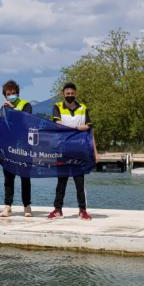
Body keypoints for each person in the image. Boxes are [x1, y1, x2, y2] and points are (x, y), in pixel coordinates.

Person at [47, 82, 97, 221]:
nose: (70, 95)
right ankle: (58, 210)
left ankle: (82, 210)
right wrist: (77, 127)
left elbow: (89, 127)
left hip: (79, 150)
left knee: (79, 183)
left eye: (72, 93)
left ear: (76, 93)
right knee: (61, 182)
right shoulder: (57, 107)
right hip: (62, 150)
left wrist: (94, 151)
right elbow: (58, 125)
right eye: (67, 93)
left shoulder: (83, 108)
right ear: (63, 94)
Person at [0, 80, 33, 218]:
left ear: (17, 93)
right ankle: (8, 206)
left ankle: (27, 206)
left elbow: (26, 121)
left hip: (24, 147)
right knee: (8, 178)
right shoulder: (3, 108)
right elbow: (1, 126)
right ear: (5, 95)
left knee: (25, 177)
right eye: (8, 94)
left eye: (13, 93)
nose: (11, 95)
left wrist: (12, 109)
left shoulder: (26, 105)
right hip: (8, 148)